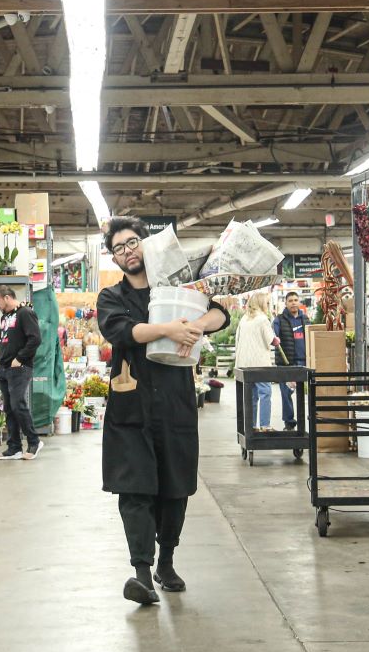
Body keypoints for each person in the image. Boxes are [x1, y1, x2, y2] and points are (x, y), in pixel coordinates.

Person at [97, 216, 230, 606]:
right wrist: (168, 329)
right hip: (131, 406)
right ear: (114, 258)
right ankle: (142, 573)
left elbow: (220, 313)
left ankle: (166, 563)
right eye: (119, 248)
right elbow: (122, 331)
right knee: (134, 488)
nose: (127, 251)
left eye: (132, 242)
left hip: (175, 403)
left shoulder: (177, 287)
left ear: (145, 243)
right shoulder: (112, 297)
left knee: (176, 486)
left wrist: (196, 326)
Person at [0, 285, 43, 460]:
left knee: (17, 405)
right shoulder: (5, 317)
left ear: (7, 297)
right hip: (4, 368)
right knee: (9, 408)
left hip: (19, 368)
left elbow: (35, 339)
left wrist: (20, 358)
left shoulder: (25, 313)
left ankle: (34, 441)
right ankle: (14, 447)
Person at [233, 293, 278, 431]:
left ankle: (251, 426)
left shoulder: (244, 319)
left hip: (244, 363)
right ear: (261, 303)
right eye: (267, 303)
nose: (268, 305)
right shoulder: (262, 319)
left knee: (252, 396)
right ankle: (265, 425)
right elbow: (271, 340)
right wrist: (276, 340)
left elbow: (237, 339)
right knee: (265, 392)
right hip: (259, 363)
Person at [274, 290, 309, 430]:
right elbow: (273, 337)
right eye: (290, 301)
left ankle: (302, 422)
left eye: (295, 300)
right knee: (286, 393)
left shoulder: (305, 319)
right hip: (286, 364)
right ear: (286, 303)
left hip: (303, 362)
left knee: (302, 394)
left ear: (299, 302)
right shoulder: (279, 320)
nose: (293, 303)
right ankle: (289, 423)